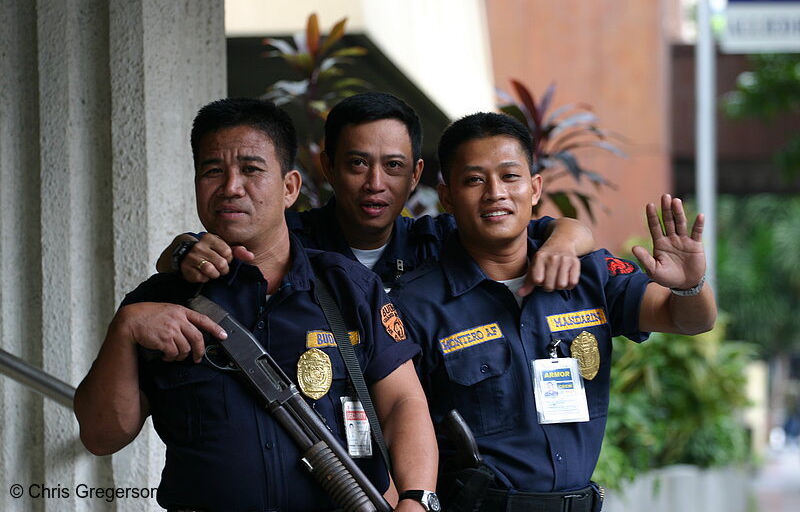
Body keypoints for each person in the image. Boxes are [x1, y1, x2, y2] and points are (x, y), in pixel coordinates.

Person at [73, 98, 438, 512]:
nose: (231, 186)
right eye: (213, 171)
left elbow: (403, 403)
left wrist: (417, 499)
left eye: (251, 169)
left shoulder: (349, 287)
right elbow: (101, 436)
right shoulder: (157, 304)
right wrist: (124, 331)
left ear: (290, 188)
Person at [389, 112, 717, 512]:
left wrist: (690, 284)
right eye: (474, 179)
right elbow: (395, 420)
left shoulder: (589, 274)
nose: (495, 192)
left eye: (510, 176)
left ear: (535, 188)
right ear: (447, 197)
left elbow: (690, 319)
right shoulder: (416, 305)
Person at [157, 92, 595, 293]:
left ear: (416, 175)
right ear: (327, 167)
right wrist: (181, 251)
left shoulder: (438, 240)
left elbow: (562, 228)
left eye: (394, 167)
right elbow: (209, 250)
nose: (375, 184)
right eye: (357, 163)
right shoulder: (289, 239)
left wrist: (560, 247)